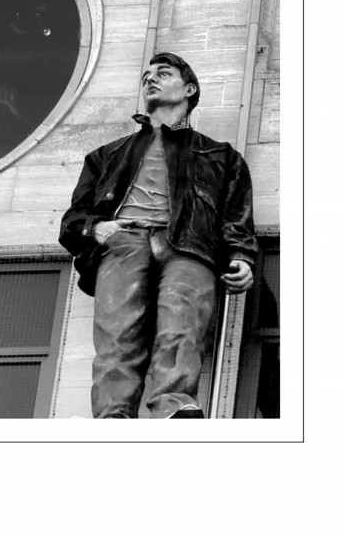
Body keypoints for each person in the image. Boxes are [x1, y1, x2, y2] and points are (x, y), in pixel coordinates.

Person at [59, 53, 257, 418]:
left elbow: (236, 216)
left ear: (189, 88)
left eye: (163, 74)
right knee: (117, 337)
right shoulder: (107, 155)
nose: (150, 79)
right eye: (146, 76)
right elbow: (73, 220)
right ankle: (112, 418)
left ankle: (173, 411)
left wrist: (242, 256)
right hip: (124, 244)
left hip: (188, 245)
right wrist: (98, 229)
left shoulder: (222, 156)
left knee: (181, 330)